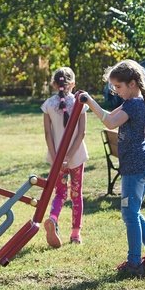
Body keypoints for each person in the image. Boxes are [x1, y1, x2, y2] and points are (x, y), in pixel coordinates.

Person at [83, 60, 145, 278]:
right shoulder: (132, 102)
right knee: (134, 213)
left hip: (136, 169)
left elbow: (110, 123)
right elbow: (109, 118)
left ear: (132, 84)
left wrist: (90, 101)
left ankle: (134, 263)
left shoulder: (133, 105)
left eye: (118, 87)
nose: (116, 92)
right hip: (139, 167)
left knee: (130, 214)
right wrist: (91, 104)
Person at [41, 67, 88, 247]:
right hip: (76, 156)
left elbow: (47, 134)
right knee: (76, 194)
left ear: (54, 84)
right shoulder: (80, 103)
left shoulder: (48, 105)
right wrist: (69, 156)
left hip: (56, 158)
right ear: (73, 84)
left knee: (59, 193)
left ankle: (53, 218)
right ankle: (76, 234)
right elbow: (82, 133)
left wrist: (57, 158)